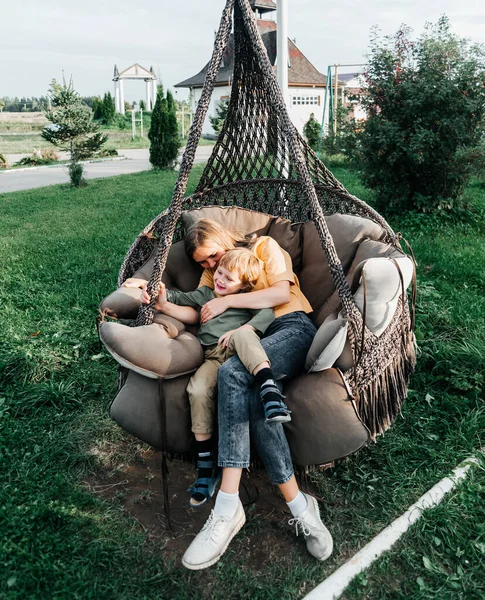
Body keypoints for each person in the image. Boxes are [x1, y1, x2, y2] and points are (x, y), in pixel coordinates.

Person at [125, 218, 333, 568]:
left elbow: (281, 294)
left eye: (213, 257)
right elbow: (200, 308)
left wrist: (225, 306)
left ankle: (227, 506)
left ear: (225, 240)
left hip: (288, 326)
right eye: (204, 264)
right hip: (246, 344)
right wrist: (152, 291)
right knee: (252, 395)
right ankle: (299, 505)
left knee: (232, 374)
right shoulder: (215, 274)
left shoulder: (264, 248)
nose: (210, 267)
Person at [143, 247, 291, 507]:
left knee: (245, 336)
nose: (221, 280)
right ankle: (205, 467)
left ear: (243, 285)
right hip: (212, 355)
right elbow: (182, 297)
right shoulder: (206, 294)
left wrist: (244, 328)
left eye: (229, 278)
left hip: (238, 350)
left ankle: (269, 388)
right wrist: (162, 297)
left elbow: (267, 312)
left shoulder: (248, 299)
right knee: (197, 390)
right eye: (220, 273)